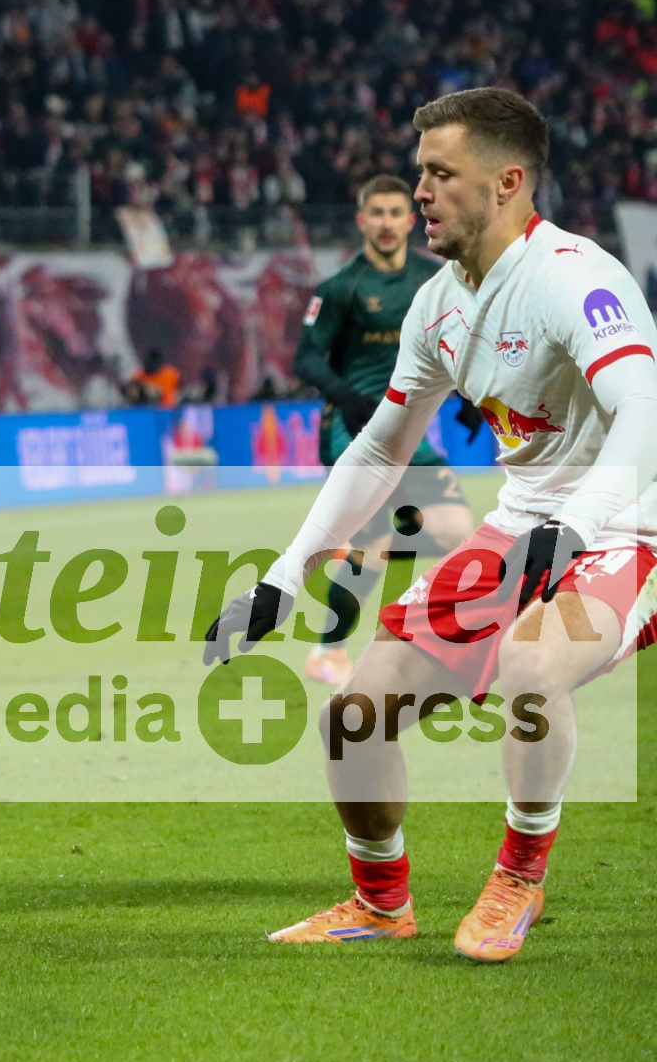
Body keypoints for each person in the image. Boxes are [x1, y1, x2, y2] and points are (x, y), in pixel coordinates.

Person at [206, 88, 657, 961]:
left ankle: (519, 877)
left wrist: (574, 526)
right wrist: (284, 576)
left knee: (532, 663)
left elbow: (646, 411)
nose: (419, 191)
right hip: (523, 526)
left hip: (629, 528)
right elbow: (382, 448)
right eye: (420, 173)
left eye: (441, 173)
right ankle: (381, 903)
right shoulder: (439, 303)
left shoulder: (577, 277)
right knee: (353, 717)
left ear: (507, 182)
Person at [290, 176, 477, 685]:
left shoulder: (433, 279)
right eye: (378, 213)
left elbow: (455, 342)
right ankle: (329, 651)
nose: (387, 223)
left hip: (409, 433)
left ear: (411, 220)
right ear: (362, 220)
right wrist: (347, 398)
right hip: (353, 434)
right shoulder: (341, 288)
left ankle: (362, 572)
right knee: (375, 542)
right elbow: (305, 357)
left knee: (454, 530)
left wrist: (469, 397)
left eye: (396, 213)